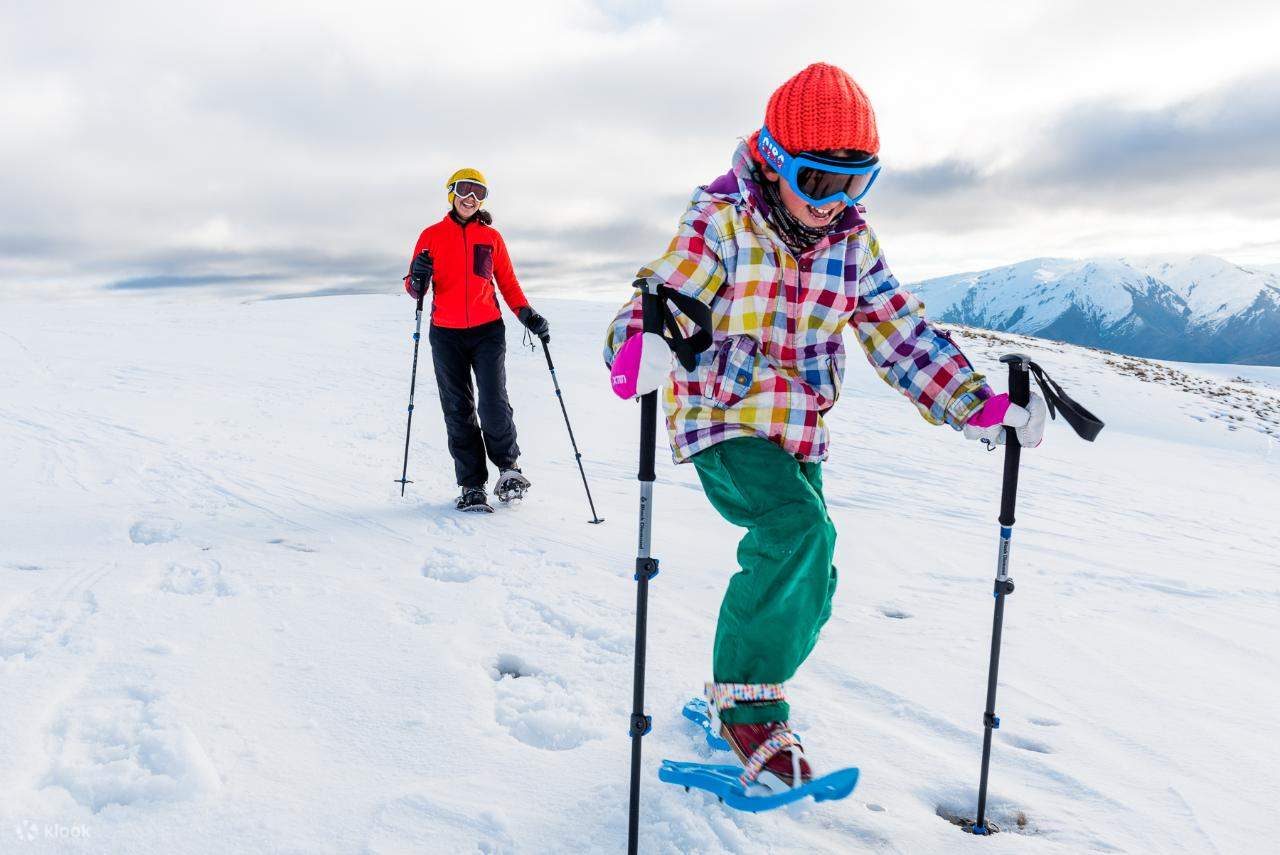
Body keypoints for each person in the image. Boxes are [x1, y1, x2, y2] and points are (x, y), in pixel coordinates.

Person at [603, 64, 1046, 790]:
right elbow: (666, 291)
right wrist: (636, 345)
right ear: (775, 164)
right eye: (817, 182)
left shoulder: (853, 245)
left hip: (798, 428)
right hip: (722, 412)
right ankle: (751, 707)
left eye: (857, 183)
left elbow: (900, 334)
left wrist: (978, 405)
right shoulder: (719, 221)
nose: (835, 202)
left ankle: (732, 687)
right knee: (796, 535)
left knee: (816, 571)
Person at [405, 167, 551, 513]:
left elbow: (508, 283)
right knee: (458, 408)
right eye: (465, 191)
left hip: (487, 330)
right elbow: (415, 289)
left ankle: (509, 469)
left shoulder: (492, 238)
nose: (471, 199)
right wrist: (418, 277)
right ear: (451, 193)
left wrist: (527, 315)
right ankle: (471, 485)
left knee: (493, 403)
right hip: (445, 334)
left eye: (479, 193)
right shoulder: (431, 235)